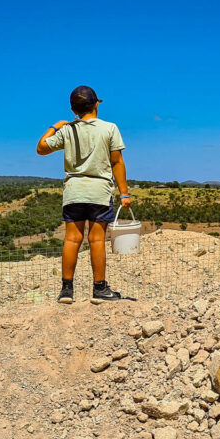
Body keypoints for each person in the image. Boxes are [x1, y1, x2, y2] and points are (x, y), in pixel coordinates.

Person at [36, 85, 132, 304]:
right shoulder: (110, 128)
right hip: (100, 191)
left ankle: (66, 290)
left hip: (74, 191)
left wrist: (55, 127)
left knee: (72, 239)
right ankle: (100, 288)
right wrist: (124, 193)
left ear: (73, 110)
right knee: (96, 239)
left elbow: (41, 148)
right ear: (96, 104)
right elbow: (117, 162)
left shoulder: (67, 131)